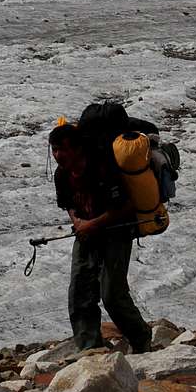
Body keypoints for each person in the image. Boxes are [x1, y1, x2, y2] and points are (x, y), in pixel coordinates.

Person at [49, 122, 152, 354]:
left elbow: (125, 207)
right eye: (54, 150)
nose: (57, 155)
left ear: (77, 148)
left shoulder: (103, 167)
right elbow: (69, 204)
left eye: (61, 149)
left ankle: (141, 338)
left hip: (116, 233)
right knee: (79, 291)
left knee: (112, 294)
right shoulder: (62, 175)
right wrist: (78, 223)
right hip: (86, 233)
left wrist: (90, 224)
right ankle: (89, 347)